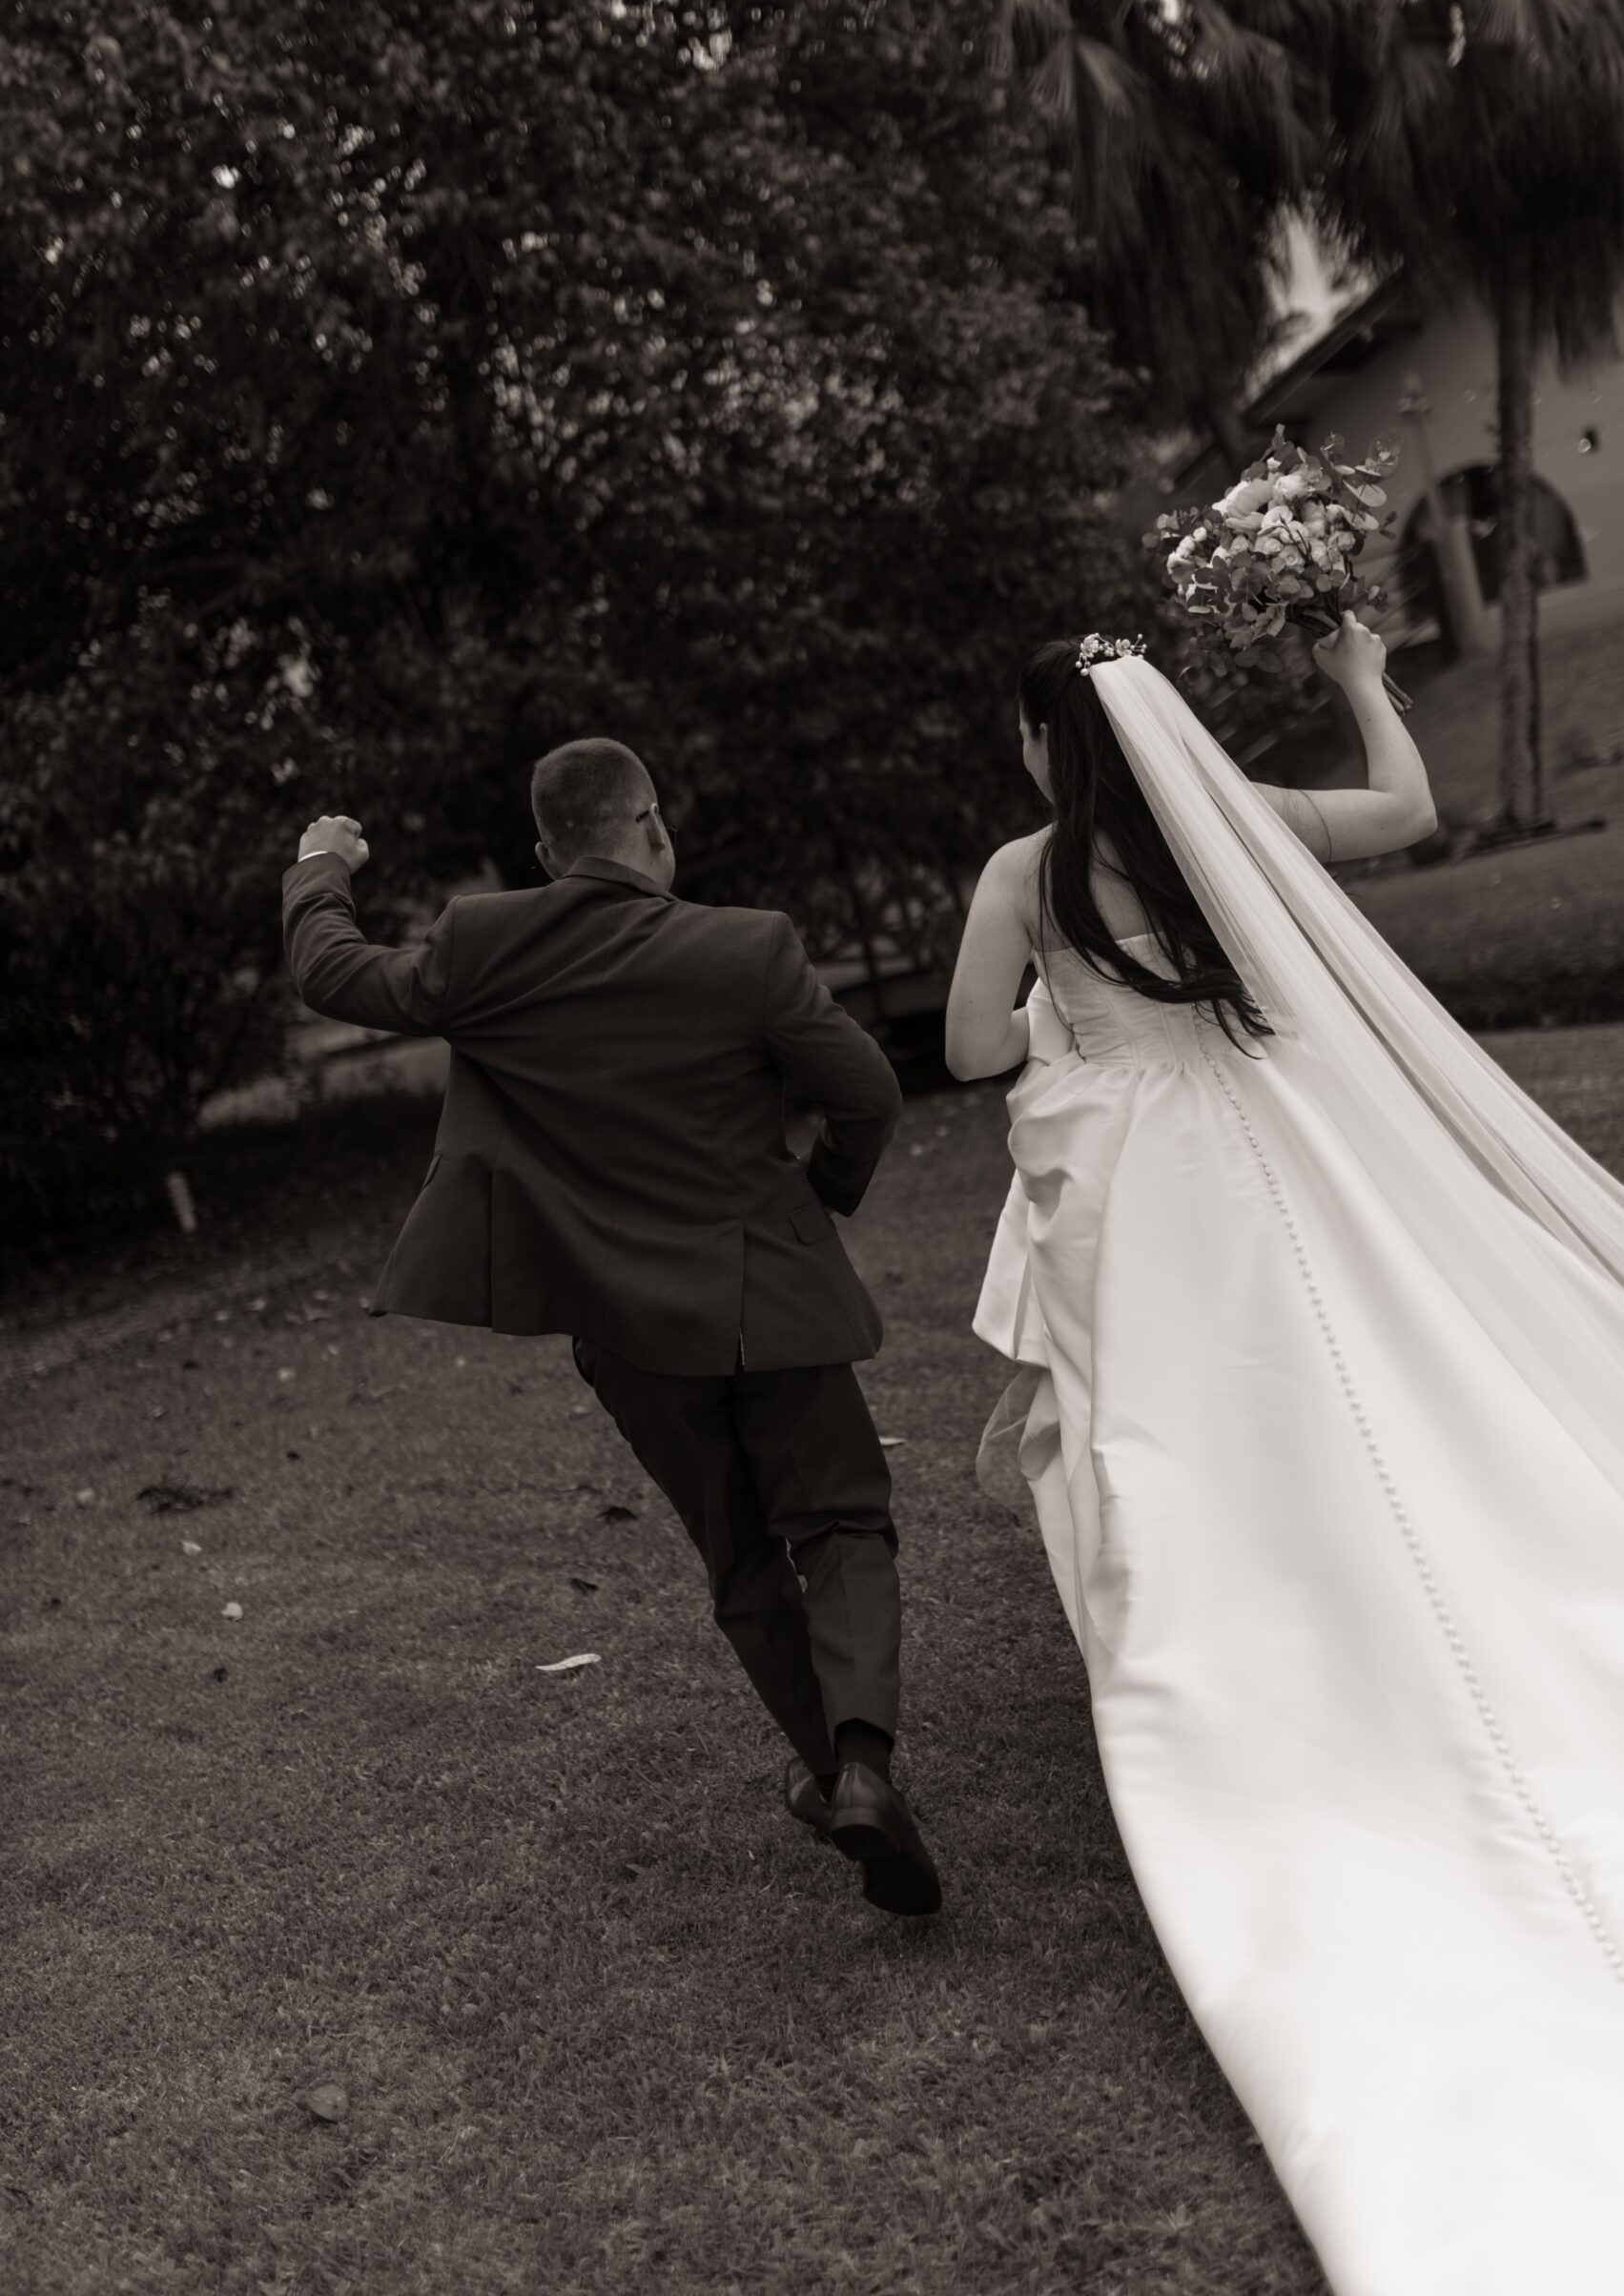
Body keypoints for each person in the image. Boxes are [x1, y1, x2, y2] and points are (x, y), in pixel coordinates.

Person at [946, 616, 1624, 2293]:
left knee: (1203, 1415)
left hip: (1142, 1174)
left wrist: (1053, 1007)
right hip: (1279, 1127)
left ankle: (1287, 1642)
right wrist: (1359, 685)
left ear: (1041, 742)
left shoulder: (1024, 872)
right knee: (1373, 1362)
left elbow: (962, 1051)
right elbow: (1404, 813)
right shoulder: (1225, 821)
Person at [282, 737, 940, 1916]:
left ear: (546, 853)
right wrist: (823, 1192)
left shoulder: (486, 944)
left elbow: (333, 974)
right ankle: (861, 1768)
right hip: (770, 1300)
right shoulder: (748, 947)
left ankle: (832, 1771)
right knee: (838, 1521)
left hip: (626, 1327)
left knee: (738, 1553)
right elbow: (868, 1092)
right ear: (653, 825)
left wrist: (320, 863)